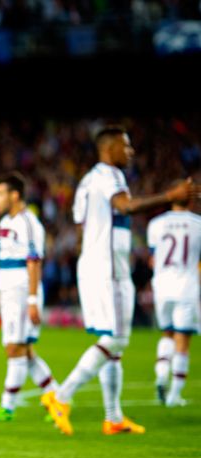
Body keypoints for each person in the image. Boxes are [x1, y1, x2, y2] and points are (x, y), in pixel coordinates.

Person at [41, 125, 196, 435]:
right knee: (116, 339)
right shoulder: (110, 176)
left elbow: (82, 229)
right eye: (125, 146)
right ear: (108, 149)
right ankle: (61, 396)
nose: (131, 152)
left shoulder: (87, 182)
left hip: (100, 264)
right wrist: (170, 196)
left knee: (114, 344)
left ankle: (113, 417)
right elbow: (126, 206)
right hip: (108, 267)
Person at [0, 172, 59, 422]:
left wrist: (33, 300)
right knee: (24, 350)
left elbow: (34, 262)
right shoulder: (5, 223)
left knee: (15, 348)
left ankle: (7, 406)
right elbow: (2, 261)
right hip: (8, 291)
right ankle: (57, 399)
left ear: (14, 195)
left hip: (23, 292)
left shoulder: (29, 223)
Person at [147, 187, 201, 407]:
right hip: (185, 286)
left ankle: (161, 375)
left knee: (166, 333)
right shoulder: (198, 224)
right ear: (189, 199)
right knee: (183, 340)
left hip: (161, 286)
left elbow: (152, 259)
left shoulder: (156, 224)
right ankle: (174, 395)